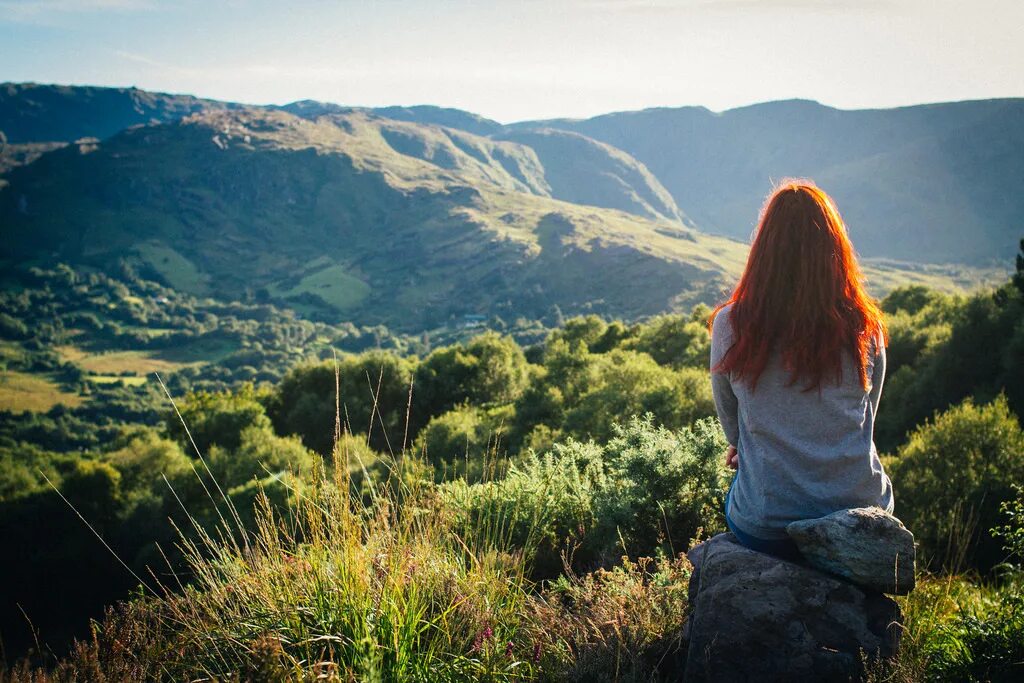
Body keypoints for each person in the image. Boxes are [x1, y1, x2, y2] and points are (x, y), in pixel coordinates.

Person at [709, 179, 893, 560]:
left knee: (739, 497)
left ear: (764, 250)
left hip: (768, 522)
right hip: (859, 508)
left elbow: (732, 419)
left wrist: (750, 447)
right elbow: (867, 418)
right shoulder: (865, 326)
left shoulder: (730, 324)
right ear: (835, 250)